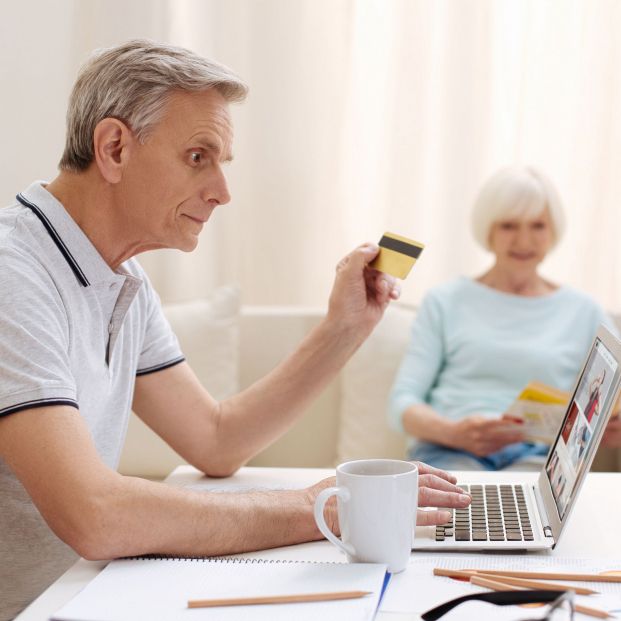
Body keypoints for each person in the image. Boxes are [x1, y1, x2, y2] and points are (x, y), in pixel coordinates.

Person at [0, 40, 470, 620]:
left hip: (79, 596)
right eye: (199, 156)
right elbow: (93, 514)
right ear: (114, 148)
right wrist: (321, 507)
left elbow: (216, 440)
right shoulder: (12, 273)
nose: (223, 191)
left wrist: (343, 328)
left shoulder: (119, 278)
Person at [388, 165, 619, 471]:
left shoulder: (586, 311)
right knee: (457, 508)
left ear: (553, 232)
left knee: (532, 513)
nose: (524, 241)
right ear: (489, 230)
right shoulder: (445, 301)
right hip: (449, 450)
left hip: (540, 459)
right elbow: (402, 402)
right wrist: (455, 433)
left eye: (538, 225)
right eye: (509, 226)